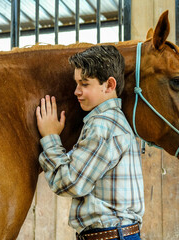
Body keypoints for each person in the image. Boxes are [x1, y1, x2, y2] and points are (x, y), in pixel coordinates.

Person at [35, 45, 144, 240]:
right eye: (77, 83)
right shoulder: (113, 122)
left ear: (109, 85)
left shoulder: (103, 126)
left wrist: (50, 137)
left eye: (84, 84)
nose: (76, 91)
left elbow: (71, 183)